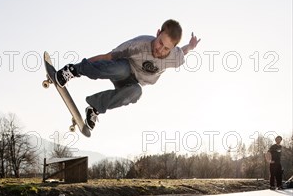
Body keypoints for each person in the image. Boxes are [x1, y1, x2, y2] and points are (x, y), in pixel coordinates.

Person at [53, 19, 200, 130]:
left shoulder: (175, 57)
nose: (160, 50)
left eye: (166, 48)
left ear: (172, 49)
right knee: (121, 69)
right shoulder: (139, 44)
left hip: (132, 83)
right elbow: (107, 57)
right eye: (160, 43)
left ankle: (95, 108)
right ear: (157, 33)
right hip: (122, 68)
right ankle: (71, 71)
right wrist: (77, 68)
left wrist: (191, 46)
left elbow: (184, 51)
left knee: (137, 92)